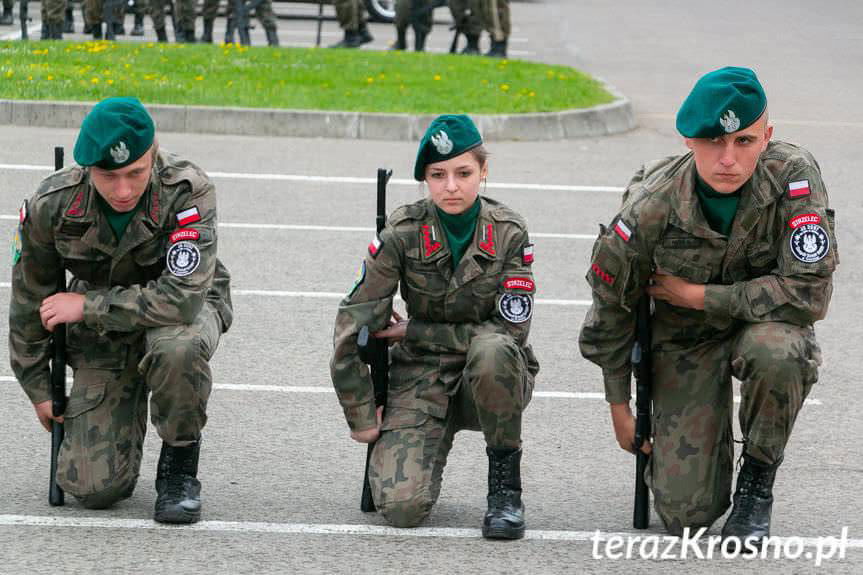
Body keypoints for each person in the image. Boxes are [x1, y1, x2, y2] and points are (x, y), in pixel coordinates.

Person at [579, 67, 838, 542]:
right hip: (684, 338)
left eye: (745, 141)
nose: (728, 159)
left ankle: (757, 485)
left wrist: (698, 295)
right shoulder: (649, 207)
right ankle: (695, 446)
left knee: (780, 351)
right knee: (687, 516)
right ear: (688, 140)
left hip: (763, 326)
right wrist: (621, 408)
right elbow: (611, 307)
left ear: (768, 136)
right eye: (713, 142)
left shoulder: (793, 178)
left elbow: (809, 293)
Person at [10, 97, 233, 524]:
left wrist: (87, 305)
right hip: (104, 331)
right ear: (87, 169)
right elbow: (28, 299)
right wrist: (38, 386)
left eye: (136, 172)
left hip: (180, 309)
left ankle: (179, 468)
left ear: (153, 154)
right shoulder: (52, 203)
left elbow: (181, 298)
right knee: (93, 490)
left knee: (176, 349)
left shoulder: (187, 189)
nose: (124, 190)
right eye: (108, 177)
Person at [330, 115, 540, 539]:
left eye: (463, 173)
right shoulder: (403, 232)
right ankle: (414, 443)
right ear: (425, 179)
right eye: (437, 175)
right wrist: (362, 412)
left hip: (492, 378)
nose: (451, 186)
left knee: (493, 351)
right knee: (401, 509)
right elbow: (354, 321)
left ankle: (504, 488)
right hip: (420, 375)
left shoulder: (509, 231)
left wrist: (417, 331)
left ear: (483, 172)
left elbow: (511, 330)